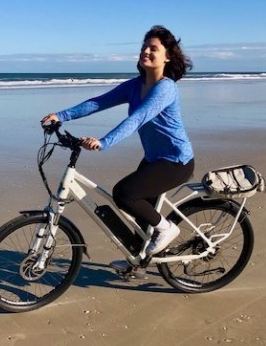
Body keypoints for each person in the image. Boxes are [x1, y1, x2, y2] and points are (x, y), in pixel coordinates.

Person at [40, 25, 195, 268]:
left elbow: (138, 118)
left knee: (125, 194)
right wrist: (61, 115)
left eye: (153, 48)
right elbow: (99, 102)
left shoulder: (166, 88)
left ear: (168, 56)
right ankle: (138, 262)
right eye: (144, 47)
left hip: (175, 161)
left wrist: (104, 142)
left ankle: (167, 229)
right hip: (154, 159)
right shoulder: (135, 85)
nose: (146, 51)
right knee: (140, 215)